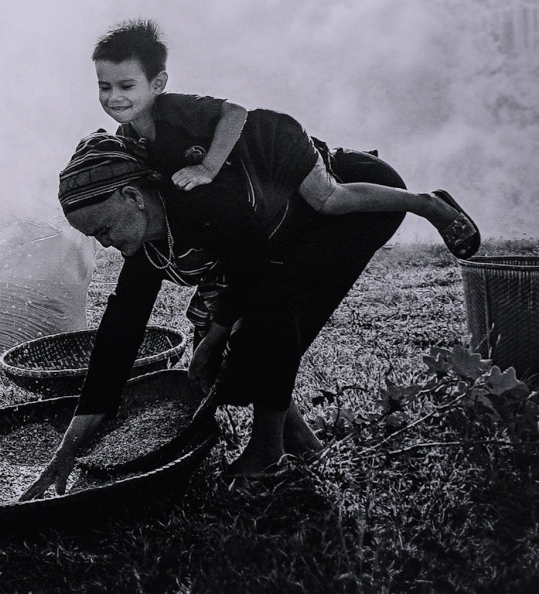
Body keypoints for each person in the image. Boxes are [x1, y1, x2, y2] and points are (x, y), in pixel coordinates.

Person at [21, 127, 407, 499]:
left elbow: (256, 277)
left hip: (357, 198)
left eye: (104, 229)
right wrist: (68, 448)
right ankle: (301, 442)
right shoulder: (147, 244)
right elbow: (118, 337)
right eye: (96, 237)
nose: (104, 244)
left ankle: (268, 453)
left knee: (262, 322)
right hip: (273, 247)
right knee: (227, 335)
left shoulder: (203, 201)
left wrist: (216, 339)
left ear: (132, 196)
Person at [91, 19, 480, 259]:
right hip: (251, 172)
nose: (115, 97)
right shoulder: (128, 135)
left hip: (271, 141)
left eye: (127, 85)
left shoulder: (175, 108)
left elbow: (235, 113)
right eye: (105, 87)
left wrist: (208, 167)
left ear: (157, 84)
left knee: (328, 199)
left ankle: (427, 204)